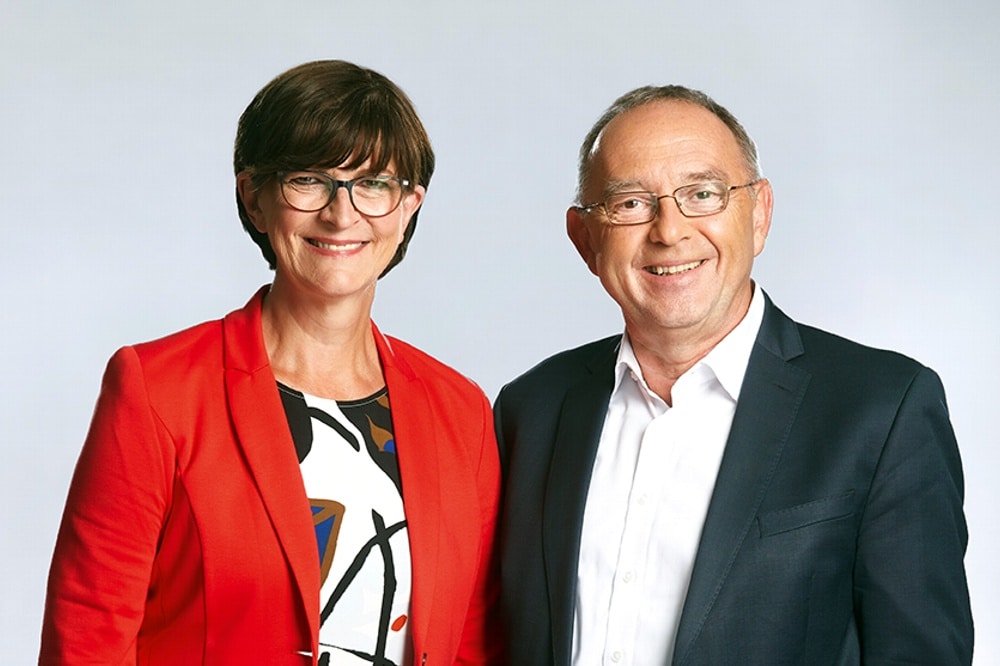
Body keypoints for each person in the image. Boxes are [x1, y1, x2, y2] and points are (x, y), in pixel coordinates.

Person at [40, 60, 502, 665]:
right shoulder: (158, 391)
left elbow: (474, 644)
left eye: (373, 184)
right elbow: (88, 639)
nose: (342, 214)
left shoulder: (460, 413)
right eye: (309, 180)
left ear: (408, 205)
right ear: (254, 199)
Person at [495, 85, 973, 665]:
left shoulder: (883, 410)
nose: (669, 231)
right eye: (629, 204)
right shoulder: (532, 410)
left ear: (760, 214)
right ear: (584, 239)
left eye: (702, 194)